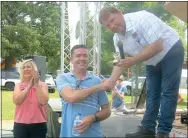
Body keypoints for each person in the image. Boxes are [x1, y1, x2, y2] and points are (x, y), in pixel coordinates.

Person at [99, 7, 184, 138]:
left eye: (112, 20)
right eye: (108, 25)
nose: (112, 25)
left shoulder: (142, 19)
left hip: (171, 50)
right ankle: (148, 128)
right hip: (151, 60)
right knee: (151, 93)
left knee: (168, 91)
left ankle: (163, 131)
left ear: (120, 13)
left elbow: (157, 46)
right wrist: (111, 81)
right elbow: (121, 62)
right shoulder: (117, 39)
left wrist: (133, 60)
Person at [56, 44, 111, 137]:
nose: (82, 58)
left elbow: (107, 111)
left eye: (85, 56)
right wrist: (98, 87)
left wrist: (93, 118)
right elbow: (71, 97)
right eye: (78, 56)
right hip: (69, 135)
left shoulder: (96, 80)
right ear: (71, 60)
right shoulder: (63, 78)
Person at [13, 59, 49, 138]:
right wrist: (29, 86)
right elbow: (16, 101)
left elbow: (43, 101)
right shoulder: (18, 85)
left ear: (35, 70)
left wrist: (36, 84)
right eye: (24, 68)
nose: (26, 69)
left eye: (28, 67)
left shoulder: (43, 85)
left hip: (39, 124)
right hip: (20, 124)